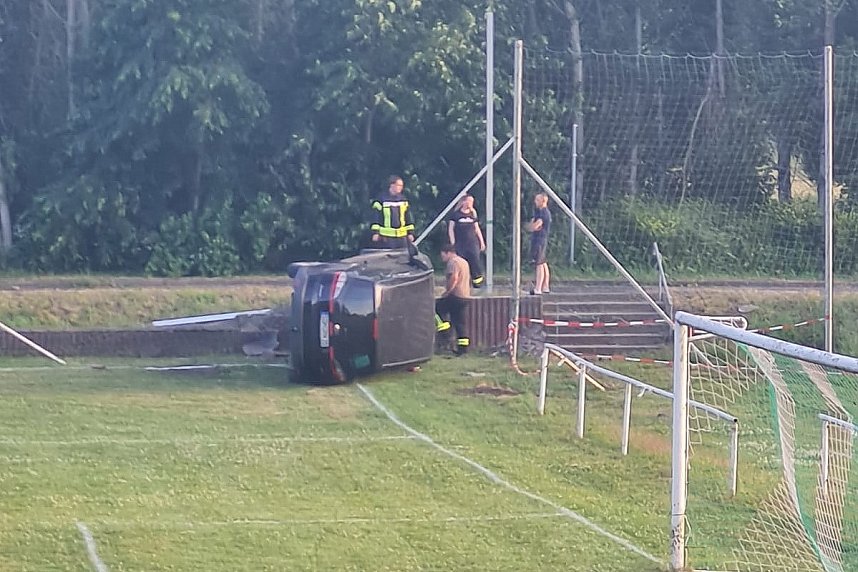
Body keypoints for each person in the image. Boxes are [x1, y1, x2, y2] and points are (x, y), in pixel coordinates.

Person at [434, 243, 471, 355]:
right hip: (465, 296)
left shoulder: (453, 262)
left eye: (443, 256)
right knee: (460, 323)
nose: (442, 259)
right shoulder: (464, 262)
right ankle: (463, 349)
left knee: (436, 307)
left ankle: (444, 331)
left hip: (455, 295)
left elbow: (454, 278)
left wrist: (447, 292)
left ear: (448, 253)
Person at [447, 194, 486, 289]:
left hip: (473, 244)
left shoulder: (473, 214)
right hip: (460, 244)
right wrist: (453, 242)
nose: (470, 203)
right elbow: (451, 229)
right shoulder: (456, 215)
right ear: (463, 202)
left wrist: (482, 242)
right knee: (461, 263)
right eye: (469, 201)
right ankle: (461, 283)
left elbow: (477, 229)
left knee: (475, 262)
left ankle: (477, 283)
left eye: (472, 202)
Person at [370, 175, 415, 249]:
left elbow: (408, 217)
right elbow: (376, 218)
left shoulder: (403, 199)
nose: (401, 188)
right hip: (386, 238)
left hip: (402, 238)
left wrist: (410, 233)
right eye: (399, 185)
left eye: (402, 186)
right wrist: (376, 233)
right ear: (392, 185)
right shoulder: (381, 199)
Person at [527, 192, 552, 295]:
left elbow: (534, 226)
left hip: (540, 240)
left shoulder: (543, 213)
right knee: (543, 262)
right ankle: (545, 286)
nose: (535, 202)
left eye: (537, 200)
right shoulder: (539, 212)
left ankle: (538, 288)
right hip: (541, 239)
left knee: (539, 264)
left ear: (543, 201)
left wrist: (532, 226)